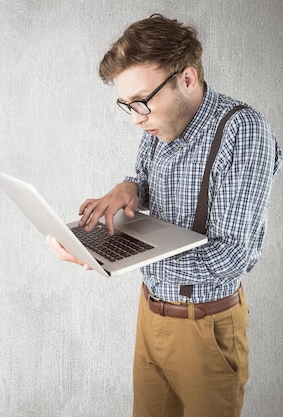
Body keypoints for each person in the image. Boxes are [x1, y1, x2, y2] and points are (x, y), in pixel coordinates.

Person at [47, 14, 282, 417]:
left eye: (142, 101)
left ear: (186, 79)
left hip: (204, 327)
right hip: (150, 313)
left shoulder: (243, 131)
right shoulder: (159, 127)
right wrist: (129, 187)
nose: (136, 118)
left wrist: (121, 253)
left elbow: (234, 257)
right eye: (127, 106)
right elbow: (144, 177)